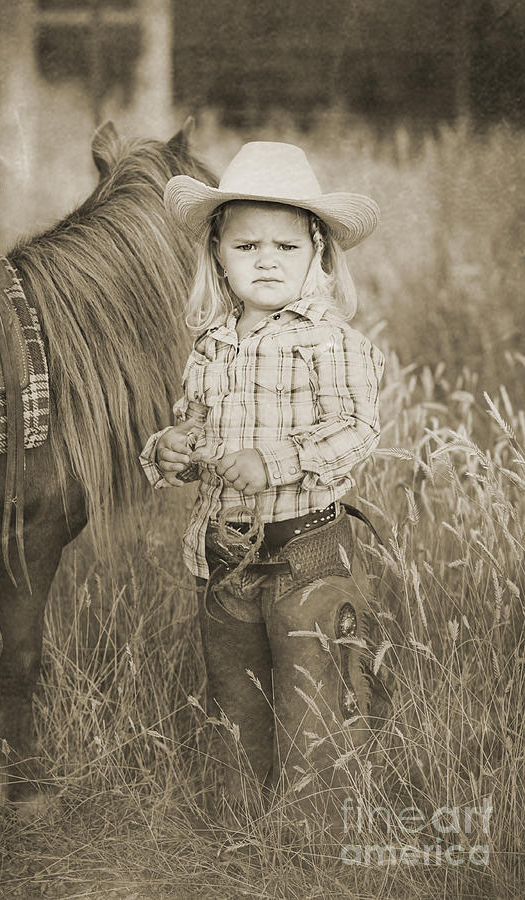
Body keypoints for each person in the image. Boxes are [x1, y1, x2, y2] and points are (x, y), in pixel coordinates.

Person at [140, 141, 386, 826]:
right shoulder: (209, 345)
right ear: (217, 253)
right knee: (235, 695)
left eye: (285, 245)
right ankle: (238, 824)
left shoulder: (333, 343)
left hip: (308, 554)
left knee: (313, 694)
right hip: (224, 557)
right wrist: (171, 448)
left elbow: (356, 428)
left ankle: (311, 834)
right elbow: (193, 430)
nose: (267, 260)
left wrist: (272, 461)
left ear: (319, 256)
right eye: (248, 246)